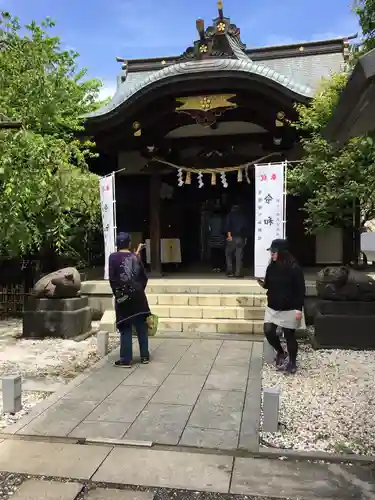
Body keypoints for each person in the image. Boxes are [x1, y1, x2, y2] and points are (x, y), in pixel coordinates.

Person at [258, 239, 305, 374]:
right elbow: (268, 284)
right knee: (268, 330)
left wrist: (298, 309)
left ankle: (292, 362)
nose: (271, 254)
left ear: (282, 252)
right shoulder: (271, 267)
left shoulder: (294, 268)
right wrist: (261, 282)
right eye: (271, 252)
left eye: (274, 252)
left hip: (289, 307)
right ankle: (280, 351)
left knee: (289, 335)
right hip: (273, 305)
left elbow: (300, 290)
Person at [108, 232, 150, 368]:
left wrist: (118, 294)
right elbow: (144, 278)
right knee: (141, 327)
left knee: (125, 327)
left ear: (117, 244)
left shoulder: (113, 257)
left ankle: (126, 359)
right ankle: (144, 356)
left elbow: (112, 279)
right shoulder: (135, 257)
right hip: (138, 296)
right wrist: (138, 290)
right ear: (129, 243)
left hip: (123, 297)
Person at [225, 204, 247, 277]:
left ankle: (230, 271)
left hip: (232, 237)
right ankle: (238, 273)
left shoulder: (230, 216)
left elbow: (228, 226)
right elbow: (245, 228)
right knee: (239, 256)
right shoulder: (243, 217)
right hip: (241, 238)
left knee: (228, 254)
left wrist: (229, 236)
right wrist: (245, 238)